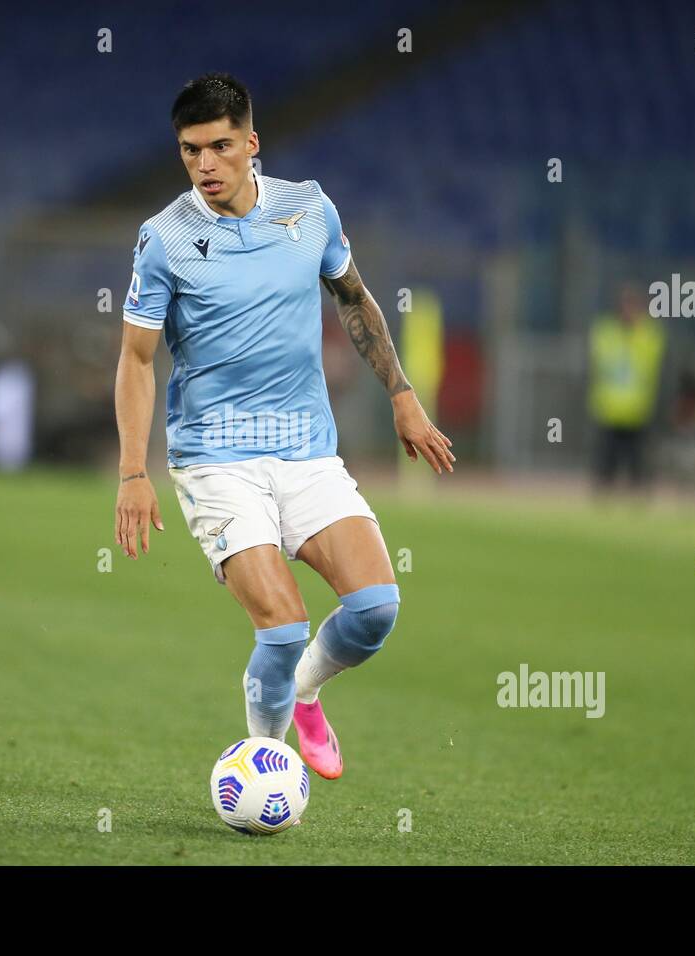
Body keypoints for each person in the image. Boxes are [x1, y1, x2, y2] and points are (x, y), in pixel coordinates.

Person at [112, 74, 454, 781]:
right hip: (217, 462)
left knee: (375, 611)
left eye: (220, 146)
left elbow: (354, 299)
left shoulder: (309, 209)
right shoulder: (165, 239)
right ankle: (263, 767)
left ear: (252, 144)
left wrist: (402, 393)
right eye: (190, 150)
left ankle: (303, 691)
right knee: (283, 626)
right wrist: (133, 473)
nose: (205, 165)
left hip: (306, 454)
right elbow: (137, 360)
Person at [588, 282, 665, 493]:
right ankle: (605, 492)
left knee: (637, 459)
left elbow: (651, 362)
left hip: (637, 408)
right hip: (610, 406)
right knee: (607, 457)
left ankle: (637, 493)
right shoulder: (606, 331)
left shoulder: (648, 334)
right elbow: (600, 359)